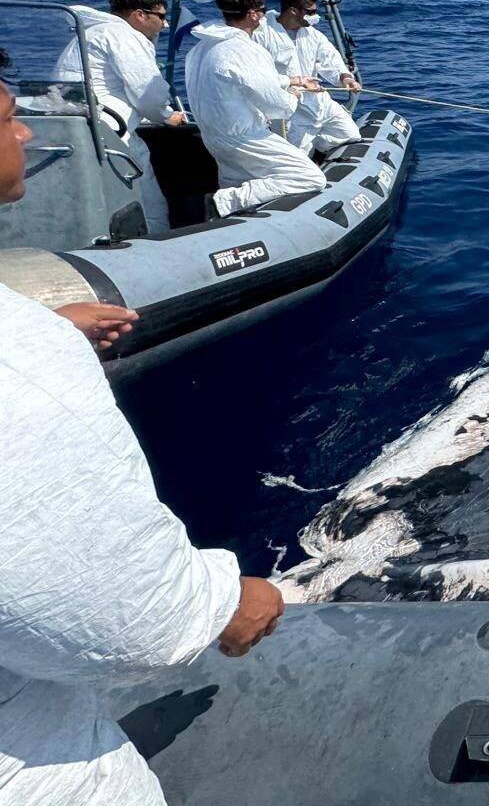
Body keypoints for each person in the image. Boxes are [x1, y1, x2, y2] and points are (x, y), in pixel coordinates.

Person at [0, 49, 284, 805]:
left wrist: (46, 328)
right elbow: (122, 616)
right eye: (6, 119)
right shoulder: (13, 357)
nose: (26, 134)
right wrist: (225, 601)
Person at [184, 0, 327, 217]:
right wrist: (293, 95)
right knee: (310, 177)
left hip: (214, 136)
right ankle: (218, 203)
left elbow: (239, 81)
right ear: (252, 15)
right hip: (246, 138)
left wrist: (292, 80)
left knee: (237, 181)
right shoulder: (245, 50)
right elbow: (277, 107)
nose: (264, 14)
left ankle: (221, 222)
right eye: (261, 9)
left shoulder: (201, 48)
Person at [50, 0, 185, 232]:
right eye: (161, 16)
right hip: (112, 135)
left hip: (77, 129)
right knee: (149, 204)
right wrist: (167, 117)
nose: (165, 24)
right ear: (140, 15)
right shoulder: (125, 36)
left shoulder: (90, 32)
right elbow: (148, 93)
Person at [254, 0, 362, 155]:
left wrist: (345, 78)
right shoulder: (262, 35)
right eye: (310, 12)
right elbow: (258, 74)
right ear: (293, 11)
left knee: (350, 135)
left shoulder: (313, 35)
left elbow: (330, 59)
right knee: (298, 157)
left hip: (320, 103)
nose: (315, 16)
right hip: (291, 110)